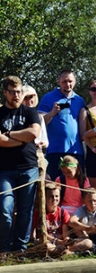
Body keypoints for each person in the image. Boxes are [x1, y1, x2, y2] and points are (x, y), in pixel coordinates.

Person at [0, 76, 41, 254]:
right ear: (5, 92)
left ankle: (20, 249)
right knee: (5, 208)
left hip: (28, 167)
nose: (16, 95)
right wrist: (22, 139)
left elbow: (34, 133)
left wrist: (9, 134)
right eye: (12, 92)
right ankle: (4, 247)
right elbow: (0, 141)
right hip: (5, 170)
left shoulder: (30, 112)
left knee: (25, 211)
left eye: (18, 92)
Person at [38, 70, 86, 180]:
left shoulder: (79, 100)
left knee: (77, 185)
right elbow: (40, 122)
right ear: (58, 81)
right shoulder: (48, 98)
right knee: (56, 184)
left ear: (75, 81)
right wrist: (52, 113)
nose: (67, 84)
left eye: (70, 81)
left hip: (76, 150)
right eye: (64, 81)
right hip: (55, 150)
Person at [21, 85, 49, 166]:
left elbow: (45, 141)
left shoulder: (39, 117)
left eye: (31, 97)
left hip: (38, 155)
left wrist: (41, 144)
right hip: (22, 155)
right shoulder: (17, 116)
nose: (29, 100)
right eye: (25, 97)